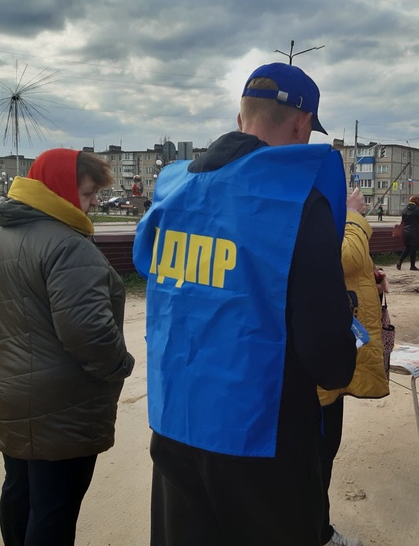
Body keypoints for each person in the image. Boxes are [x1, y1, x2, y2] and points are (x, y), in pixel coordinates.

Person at [133, 62, 358, 546]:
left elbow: (148, 266)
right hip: (261, 436)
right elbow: (329, 360)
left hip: (176, 424)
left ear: (241, 119)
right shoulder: (298, 200)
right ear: (302, 124)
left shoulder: (173, 192)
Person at [0, 149, 135, 546]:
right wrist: (119, 365)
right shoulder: (69, 245)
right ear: (59, 189)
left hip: (5, 391)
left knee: (19, 491)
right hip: (59, 404)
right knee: (54, 506)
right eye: (89, 193)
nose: (93, 203)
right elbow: (88, 332)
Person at [318, 187, 390, 546]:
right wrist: (353, 217)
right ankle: (316, 532)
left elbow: (348, 266)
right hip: (320, 357)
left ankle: (317, 527)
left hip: (333, 347)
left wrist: (368, 279)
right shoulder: (313, 208)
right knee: (317, 451)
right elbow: (342, 259)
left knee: (326, 447)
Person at [396, 194, 419, 270]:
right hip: (414, 231)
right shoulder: (416, 209)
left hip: (406, 231)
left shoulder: (405, 209)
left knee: (407, 248)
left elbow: (403, 220)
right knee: (413, 249)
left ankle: (400, 261)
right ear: (417, 202)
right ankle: (412, 266)